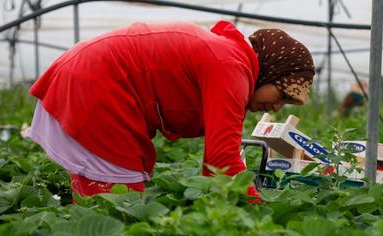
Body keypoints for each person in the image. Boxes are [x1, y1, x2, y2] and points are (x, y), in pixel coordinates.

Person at [25, 21, 315, 203]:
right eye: (282, 94)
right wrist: (256, 211)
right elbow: (221, 160)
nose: (277, 107)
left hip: (89, 78)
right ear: (270, 71)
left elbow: (215, 166)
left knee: (113, 198)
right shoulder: (231, 67)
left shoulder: (228, 58)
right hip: (97, 87)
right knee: (119, 205)